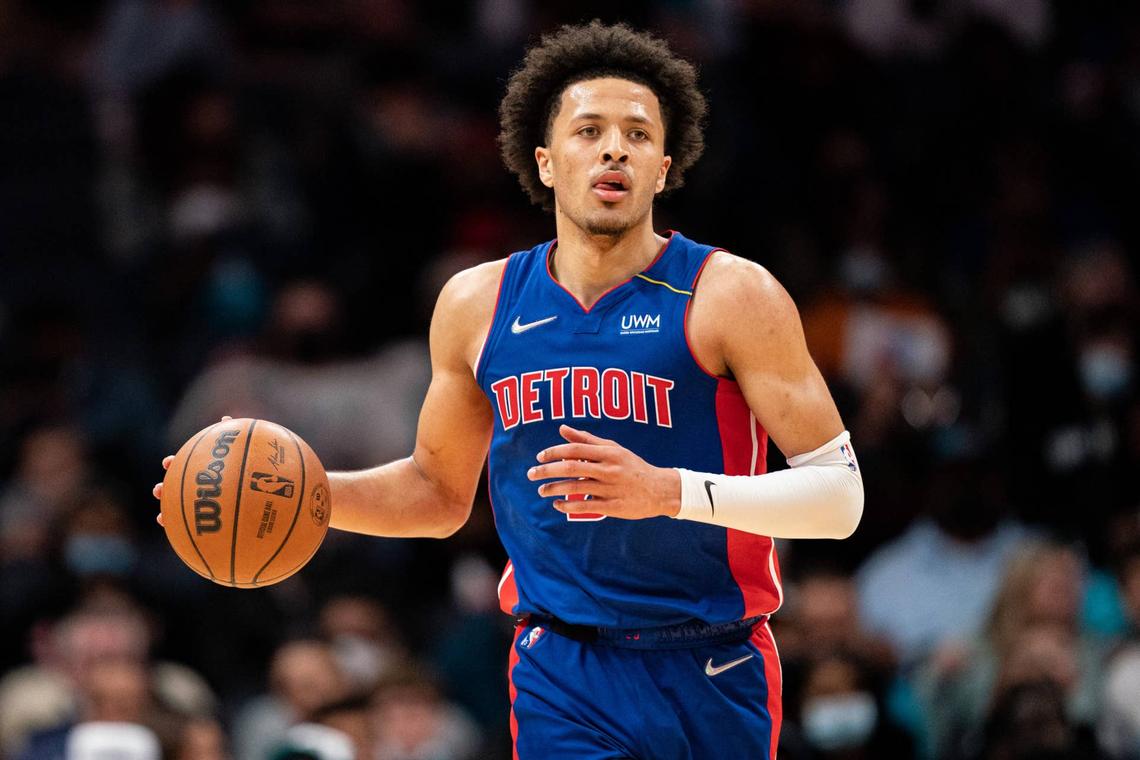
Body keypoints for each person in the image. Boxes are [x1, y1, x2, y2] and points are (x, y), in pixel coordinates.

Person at [154, 20, 864, 758]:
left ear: (663, 167)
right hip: (562, 669)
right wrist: (296, 494)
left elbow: (840, 499)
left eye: (638, 133)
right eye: (588, 130)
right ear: (547, 162)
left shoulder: (731, 294)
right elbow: (437, 493)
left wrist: (667, 491)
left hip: (715, 663)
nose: (614, 147)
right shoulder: (477, 304)